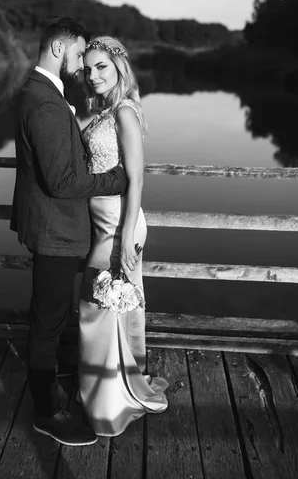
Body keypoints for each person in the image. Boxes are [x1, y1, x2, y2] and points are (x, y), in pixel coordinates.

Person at [10, 18, 128, 446]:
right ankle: (47, 411)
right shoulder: (43, 102)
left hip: (54, 227)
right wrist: (115, 181)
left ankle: (58, 383)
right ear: (59, 49)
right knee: (46, 323)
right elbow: (61, 182)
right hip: (55, 230)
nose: (81, 66)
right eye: (79, 55)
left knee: (54, 317)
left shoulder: (41, 94)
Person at [78, 36, 168, 437]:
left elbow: (136, 180)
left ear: (118, 69)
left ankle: (106, 403)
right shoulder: (102, 111)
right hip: (103, 221)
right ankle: (113, 388)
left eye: (102, 67)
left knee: (95, 305)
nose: (94, 75)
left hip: (119, 223)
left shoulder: (126, 112)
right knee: (107, 309)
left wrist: (128, 235)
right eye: (89, 68)